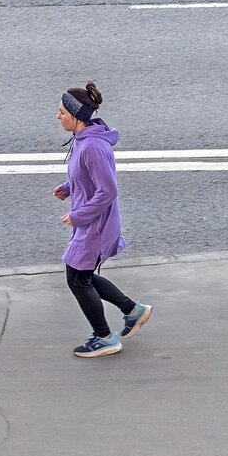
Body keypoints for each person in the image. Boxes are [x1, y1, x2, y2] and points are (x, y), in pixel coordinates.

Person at [54, 82, 151, 358]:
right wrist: (70, 187)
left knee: (77, 278)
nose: (58, 116)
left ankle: (105, 337)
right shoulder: (83, 140)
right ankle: (132, 310)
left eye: (62, 112)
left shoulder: (93, 147)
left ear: (76, 116)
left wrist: (78, 215)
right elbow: (88, 176)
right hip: (90, 223)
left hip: (95, 225)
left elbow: (108, 190)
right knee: (81, 275)